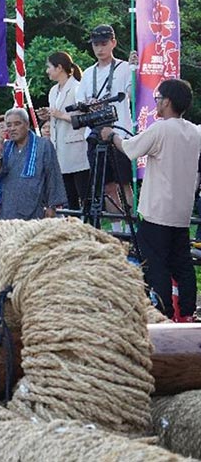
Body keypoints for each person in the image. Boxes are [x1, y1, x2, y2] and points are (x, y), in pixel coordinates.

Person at [100, 79, 201, 322]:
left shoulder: (161, 128)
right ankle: (187, 313)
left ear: (166, 101)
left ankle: (162, 314)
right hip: (181, 212)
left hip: (157, 212)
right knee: (182, 264)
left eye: (158, 98)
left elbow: (130, 148)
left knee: (156, 266)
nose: (156, 102)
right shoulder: (194, 131)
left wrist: (109, 134)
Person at [76, 24, 139, 230]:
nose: (99, 49)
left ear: (113, 43)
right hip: (95, 134)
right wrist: (92, 106)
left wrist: (135, 70)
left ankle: (130, 229)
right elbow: (80, 106)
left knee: (124, 183)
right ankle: (117, 230)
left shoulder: (123, 68)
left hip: (118, 132)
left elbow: (134, 95)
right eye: (96, 45)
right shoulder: (87, 73)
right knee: (106, 186)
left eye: (104, 44)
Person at [0, 108, 67, 220]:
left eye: (17, 124)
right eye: (9, 125)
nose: (12, 128)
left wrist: (52, 206)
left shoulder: (43, 145)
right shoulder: (6, 147)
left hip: (35, 207)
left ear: (27, 125)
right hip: (7, 207)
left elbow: (53, 175)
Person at [42, 52, 90, 211]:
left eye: (49, 67)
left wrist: (60, 115)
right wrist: (48, 115)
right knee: (69, 195)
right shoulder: (53, 91)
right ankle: (74, 225)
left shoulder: (77, 88)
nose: (47, 71)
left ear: (59, 67)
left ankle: (90, 226)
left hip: (76, 147)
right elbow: (55, 116)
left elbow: (85, 117)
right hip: (60, 148)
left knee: (84, 193)